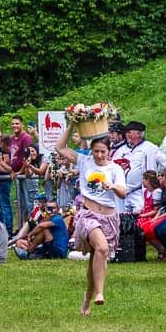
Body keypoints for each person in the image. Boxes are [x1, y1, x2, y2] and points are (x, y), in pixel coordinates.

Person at [55, 125, 128, 316]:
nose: (99, 155)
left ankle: (87, 298)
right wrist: (72, 124)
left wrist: (112, 186)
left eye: (102, 151)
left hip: (109, 218)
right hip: (89, 215)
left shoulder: (115, 169)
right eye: (95, 151)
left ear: (108, 152)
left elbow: (123, 193)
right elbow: (60, 148)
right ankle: (100, 293)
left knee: (96, 261)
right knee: (102, 248)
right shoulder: (85, 161)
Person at [112, 121, 164, 213]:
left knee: (138, 212)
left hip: (139, 191)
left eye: (129, 132)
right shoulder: (121, 150)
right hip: (121, 191)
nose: (126, 135)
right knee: (120, 216)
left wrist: (163, 177)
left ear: (138, 134)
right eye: (126, 133)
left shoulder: (150, 147)